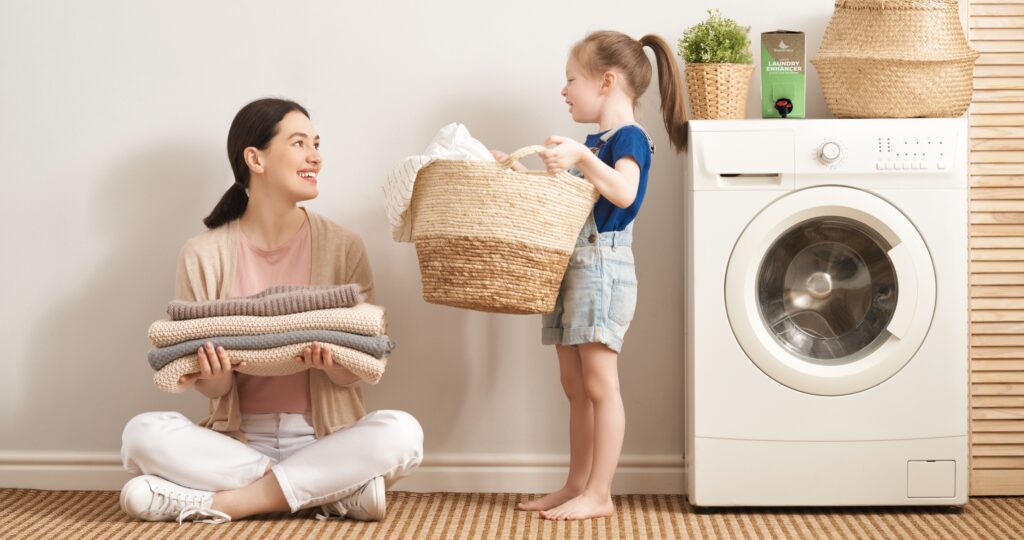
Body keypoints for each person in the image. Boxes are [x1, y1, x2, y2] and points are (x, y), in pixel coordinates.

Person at [119, 98, 423, 524]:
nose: (315, 156)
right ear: (254, 159)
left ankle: (226, 503)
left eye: (316, 144)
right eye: (299, 143)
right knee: (141, 435)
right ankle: (326, 493)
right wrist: (217, 372)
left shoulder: (344, 246)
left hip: (325, 439)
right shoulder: (202, 254)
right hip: (236, 446)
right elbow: (211, 389)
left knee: (402, 433)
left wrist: (335, 362)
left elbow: (361, 365)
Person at [492, 31, 687, 521]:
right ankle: (576, 483)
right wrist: (515, 174)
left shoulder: (629, 138)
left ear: (606, 81)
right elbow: (568, 205)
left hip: (603, 268)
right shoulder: (595, 142)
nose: (564, 91)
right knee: (574, 384)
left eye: (570, 80)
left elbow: (623, 193)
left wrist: (581, 157)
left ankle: (600, 493)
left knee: (601, 384)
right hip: (573, 268)